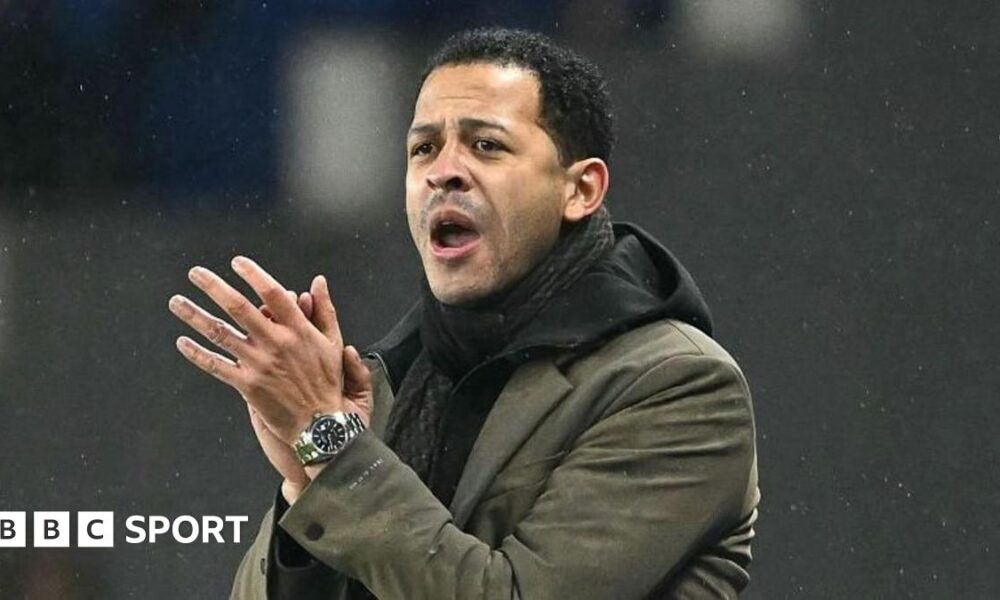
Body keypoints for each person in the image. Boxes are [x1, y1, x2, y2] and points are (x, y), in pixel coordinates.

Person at [169, 27, 760, 599]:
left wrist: (330, 449)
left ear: (580, 190)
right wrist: (305, 485)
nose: (442, 170)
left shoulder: (677, 387)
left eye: (487, 145)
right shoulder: (379, 385)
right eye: (423, 147)